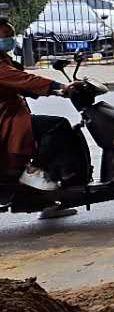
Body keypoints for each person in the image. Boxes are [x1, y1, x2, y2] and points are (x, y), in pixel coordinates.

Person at [0, 17, 75, 207]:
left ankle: (48, 197)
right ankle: (33, 171)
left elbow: (20, 84)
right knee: (56, 125)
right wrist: (58, 86)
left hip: (14, 113)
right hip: (7, 118)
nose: (10, 39)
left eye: (11, 35)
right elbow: (23, 79)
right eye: (5, 35)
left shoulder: (4, 58)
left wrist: (57, 91)